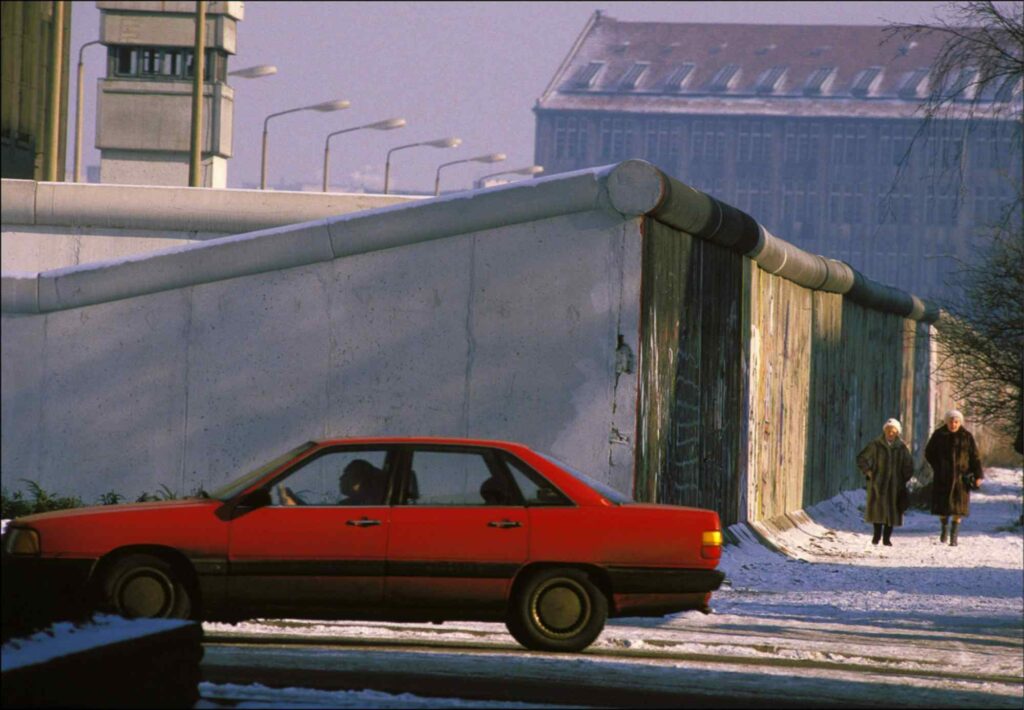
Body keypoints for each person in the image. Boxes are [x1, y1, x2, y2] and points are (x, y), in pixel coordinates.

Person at [924, 409, 983, 547]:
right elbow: (929, 452)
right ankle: (944, 528)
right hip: (942, 478)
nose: (953, 424)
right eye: (951, 421)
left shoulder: (966, 436)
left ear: (960, 422)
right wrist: (938, 467)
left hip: (961, 478)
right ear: (947, 422)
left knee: (959, 508)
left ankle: (954, 537)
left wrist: (978, 475)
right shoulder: (939, 435)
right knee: (943, 508)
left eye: (956, 422)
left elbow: (975, 456)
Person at [856, 418, 914, 546]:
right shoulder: (875, 445)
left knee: (892, 512)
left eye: (893, 431)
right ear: (884, 431)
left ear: (897, 432)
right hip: (878, 483)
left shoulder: (902, 447)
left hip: (895, 485)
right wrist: (868, 471)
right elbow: (861, 458)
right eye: (888, 430)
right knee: (878, 510)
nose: (890, 433)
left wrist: (904, 478)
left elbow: (909, 464)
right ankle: (876, 536)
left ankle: (887, 538)